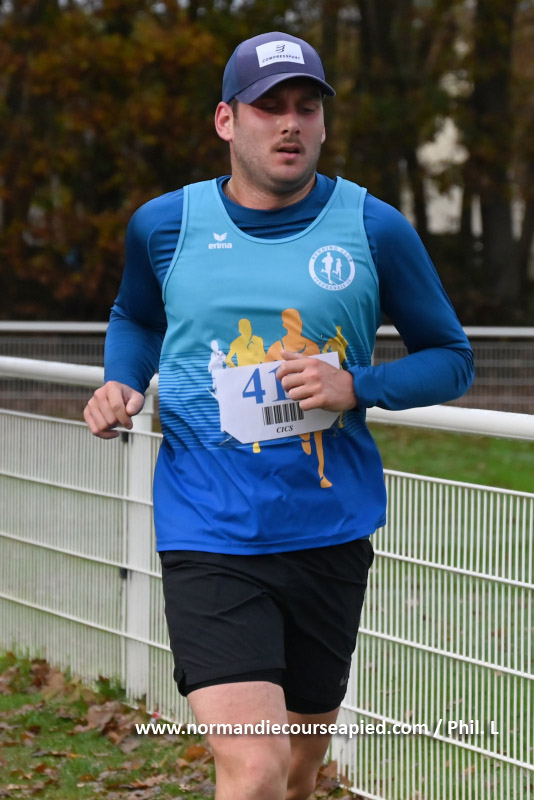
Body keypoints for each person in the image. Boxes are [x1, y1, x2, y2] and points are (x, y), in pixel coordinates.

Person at [84, 31, 474, 800]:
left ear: (324, 123)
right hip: (208, 527)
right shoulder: (165, 225)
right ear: (227, 121)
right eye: (269, 107)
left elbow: (451, 358)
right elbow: (136, 317)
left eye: (306, 106)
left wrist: (355, 385)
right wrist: (121, 381)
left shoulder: (374, 228)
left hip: (328, 529)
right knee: (254, 768)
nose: (290, 123)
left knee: (296, 773)